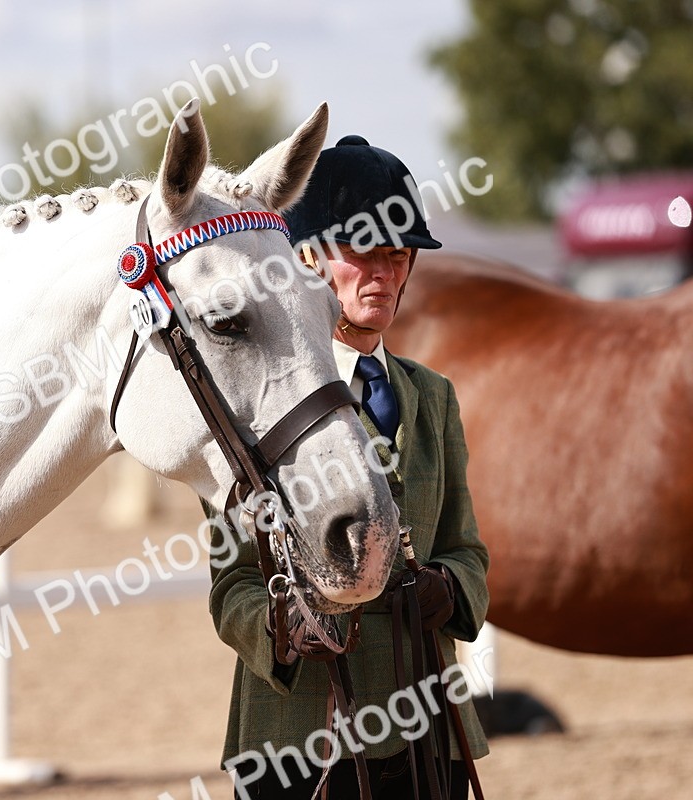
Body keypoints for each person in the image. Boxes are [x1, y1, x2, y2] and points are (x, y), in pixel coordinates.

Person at [208, 135, 491, 799]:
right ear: (308, 261)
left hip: (428, 726)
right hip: (301, 739)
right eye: (362, 256)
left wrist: (448, 590)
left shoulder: (435, 398)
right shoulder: (249, 409)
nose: (384, 276)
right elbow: (231, 590)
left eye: (397, 257)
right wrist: (284, 626)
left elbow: (467, 551)